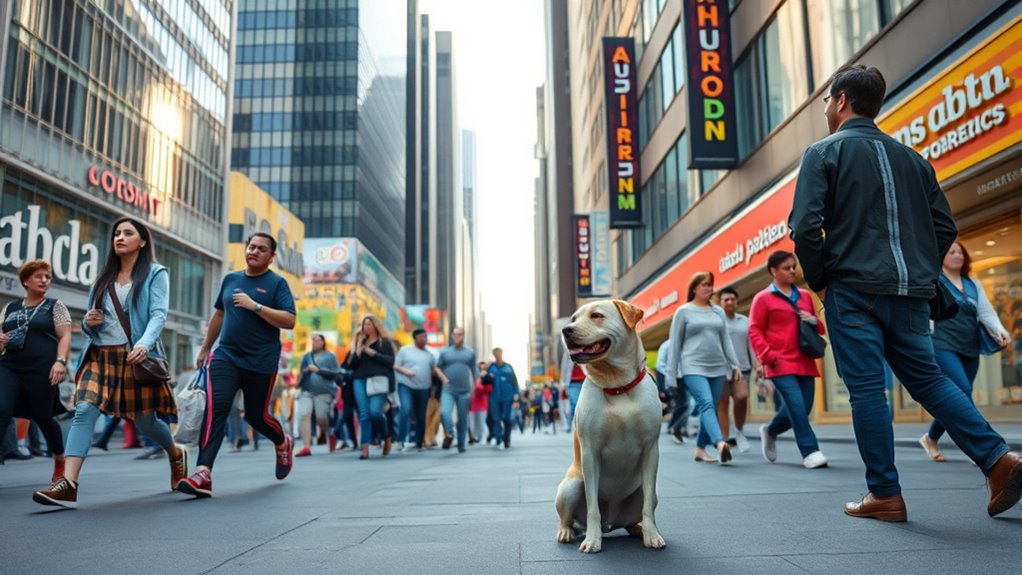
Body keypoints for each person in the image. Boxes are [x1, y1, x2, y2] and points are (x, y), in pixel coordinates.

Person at [789, 64, 1021, 520]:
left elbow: (805, 228)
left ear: (840, 101)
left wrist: (820, 280)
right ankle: (999, 459)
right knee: (931, 380)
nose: (824, 110)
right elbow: (945, 227)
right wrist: (918, 271)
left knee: (867, 389)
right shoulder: (914, 159)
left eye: (824, 102)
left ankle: (885, 494)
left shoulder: (822, 153)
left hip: (852, 290)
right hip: (912, 293)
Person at [33, 218, 184, 509]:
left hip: (134, 355)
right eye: (117, 233)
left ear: (142, 241)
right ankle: (69, 484)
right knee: (85, 409)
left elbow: (158, 315)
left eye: (128, 233)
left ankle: (175, 454)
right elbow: (90, 324)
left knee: (146, 422)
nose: (120, 237)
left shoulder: (155, 273)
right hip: (100, 356)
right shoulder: (102, 278)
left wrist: (144, 343)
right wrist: (89, 323)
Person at [176, 232, 297, 498]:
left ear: (271, 256)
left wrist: (256, 306)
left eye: (261, 249)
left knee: (256, 416)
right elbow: (219, 313)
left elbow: (289, 320)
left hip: (261, 361)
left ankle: (282, 441)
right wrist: (207, 347)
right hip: (226, 356)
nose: (254, 251)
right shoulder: (231, 279)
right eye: (251, 246)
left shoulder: (277, 284)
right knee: (216, 408)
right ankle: (203, 473)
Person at [920, 242, 1012, 462]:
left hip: (969, 346)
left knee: (957, 396)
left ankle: (931, 438)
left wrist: (1001, 331)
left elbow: (986, 313)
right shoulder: (936, 281)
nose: (957, 255)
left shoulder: (974, 284)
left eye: (960, 252)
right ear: (942, 257)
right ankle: (981, 447)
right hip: (942, 343)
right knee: (963, 389)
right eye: (951, 251)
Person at [748, 252, 828, 469]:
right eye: (786, 267)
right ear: (774, 271)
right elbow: (755, 330)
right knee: (796, 404)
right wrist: (767, 356)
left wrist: (813, 320)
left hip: (805, 360)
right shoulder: (762, 298)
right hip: (779, 362)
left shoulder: (804, 296)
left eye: (794, 266)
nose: (792, 270)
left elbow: (818, 327)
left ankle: (770, 430)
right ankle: (810, 451)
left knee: (804, 407)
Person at [0, 260, 72, 484]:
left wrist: (60, 361)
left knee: (43, 417)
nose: (44, 280)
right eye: (39, 276)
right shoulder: (10, 308)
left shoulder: (54, 305)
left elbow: (65, 335)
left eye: (47, 277)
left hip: (42, 369)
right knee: (1, 410)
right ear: (25, 281)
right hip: (9, 366)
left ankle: (60, 460)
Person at [667, 272, 741, 465]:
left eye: (710, 285)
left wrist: (735, 364)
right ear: (694, 288)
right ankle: (719, 443)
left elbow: (726, 341)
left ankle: (700, 449)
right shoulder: (683, 311)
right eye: (704, 285)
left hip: (717, 367)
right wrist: (671, 374)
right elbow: (675, 344)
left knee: (712, 408)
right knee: (706, 404)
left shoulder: (718, 312)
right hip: (692, 365)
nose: (709, 288)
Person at [345, 314, 396, 460]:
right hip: (359, 379)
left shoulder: (384, 342)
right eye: (364, 325)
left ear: (375, 326)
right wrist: (359, 348)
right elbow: (351, 365)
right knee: (364, 414)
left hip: (378, 380)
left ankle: (386, 436)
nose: (366, 327)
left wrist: (373, 353)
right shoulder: (359, 342)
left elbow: (390, 361)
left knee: (375, 412)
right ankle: (365, 448)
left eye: (369, 324)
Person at [717, 287, 755, 453]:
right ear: (720, 302)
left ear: (737, 301)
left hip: (742, 367)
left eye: (733, 299)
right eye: (726, 300)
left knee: (742, 397)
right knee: (723, 403)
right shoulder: (716, 320)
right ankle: (725, 441)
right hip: (720, 368)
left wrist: (758, 364)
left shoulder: (744, 321)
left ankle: (739, 431)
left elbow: (751, 345)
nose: (730, 302)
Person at [394, 328, 439, 451]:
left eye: (426, 337)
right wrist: (405, 371)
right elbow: (395, 366)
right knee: (406, 409)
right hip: (405, 385)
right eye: (423, 337)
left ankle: (419, 442)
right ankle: (401, 439)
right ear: (416, 338)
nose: (425, 339)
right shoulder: (405, 351)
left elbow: (432, 371)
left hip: (423, 388)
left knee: (421, 415)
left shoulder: (430, 355)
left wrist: (432, 388)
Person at [296, 334, 340, 456]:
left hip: (324, 392)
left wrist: (318, 370)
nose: (315, 342)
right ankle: (306, 446)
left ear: (323, 342)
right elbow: (301, 373)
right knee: (304, 414)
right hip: (307, 391)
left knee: (321, 417)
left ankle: (329, 433)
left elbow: (336, 374)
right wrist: (305, 372)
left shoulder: (330, 356)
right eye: (313, 340)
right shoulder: (306, 357)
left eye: (317, 340)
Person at [437, 327, 479, 453]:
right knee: (444, 413)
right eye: (454, 334)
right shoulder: (445, 352)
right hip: (448, 389)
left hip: (464, 391)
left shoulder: (470, 353)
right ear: (451, 336)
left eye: (459, 334)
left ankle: (461, 443)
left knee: (462, 419)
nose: (457, 337)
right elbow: (437, 368)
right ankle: (450, 433)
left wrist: (474, 390)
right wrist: (444, 379)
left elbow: (474, 372)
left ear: (463, 336)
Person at [484, 347, 519, 448]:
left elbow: (514, 381)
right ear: (494, 355)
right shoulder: (491, 368)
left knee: (506, 418)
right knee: (496, 418)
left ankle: (506, 438)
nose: (498, 356)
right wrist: (487, 376)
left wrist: (516, 394)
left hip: (507, 397)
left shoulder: (508, 367)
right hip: (494, 397)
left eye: (499, 353)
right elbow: (484, 381)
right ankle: (498, 438)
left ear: (502, 354)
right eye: (496, 354)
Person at [656, 338, 689, 444]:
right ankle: (676, 426)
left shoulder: (686, 344)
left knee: (684, 404)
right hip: (673, 378)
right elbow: (659, 365)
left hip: (684, 377)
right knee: (683, 404)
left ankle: (675, 426)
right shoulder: (666, 345)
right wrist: (662, 387)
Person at [469, 361, 491, 443]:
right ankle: (476, 436)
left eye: (483, 367)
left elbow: (488, 388)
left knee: (482, 422)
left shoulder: (487, 377)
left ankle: (483, 437)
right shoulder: (474, 378)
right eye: (480, 367)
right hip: (473, 403)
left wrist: (479, 387)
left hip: (482, 403)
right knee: (473, 423)